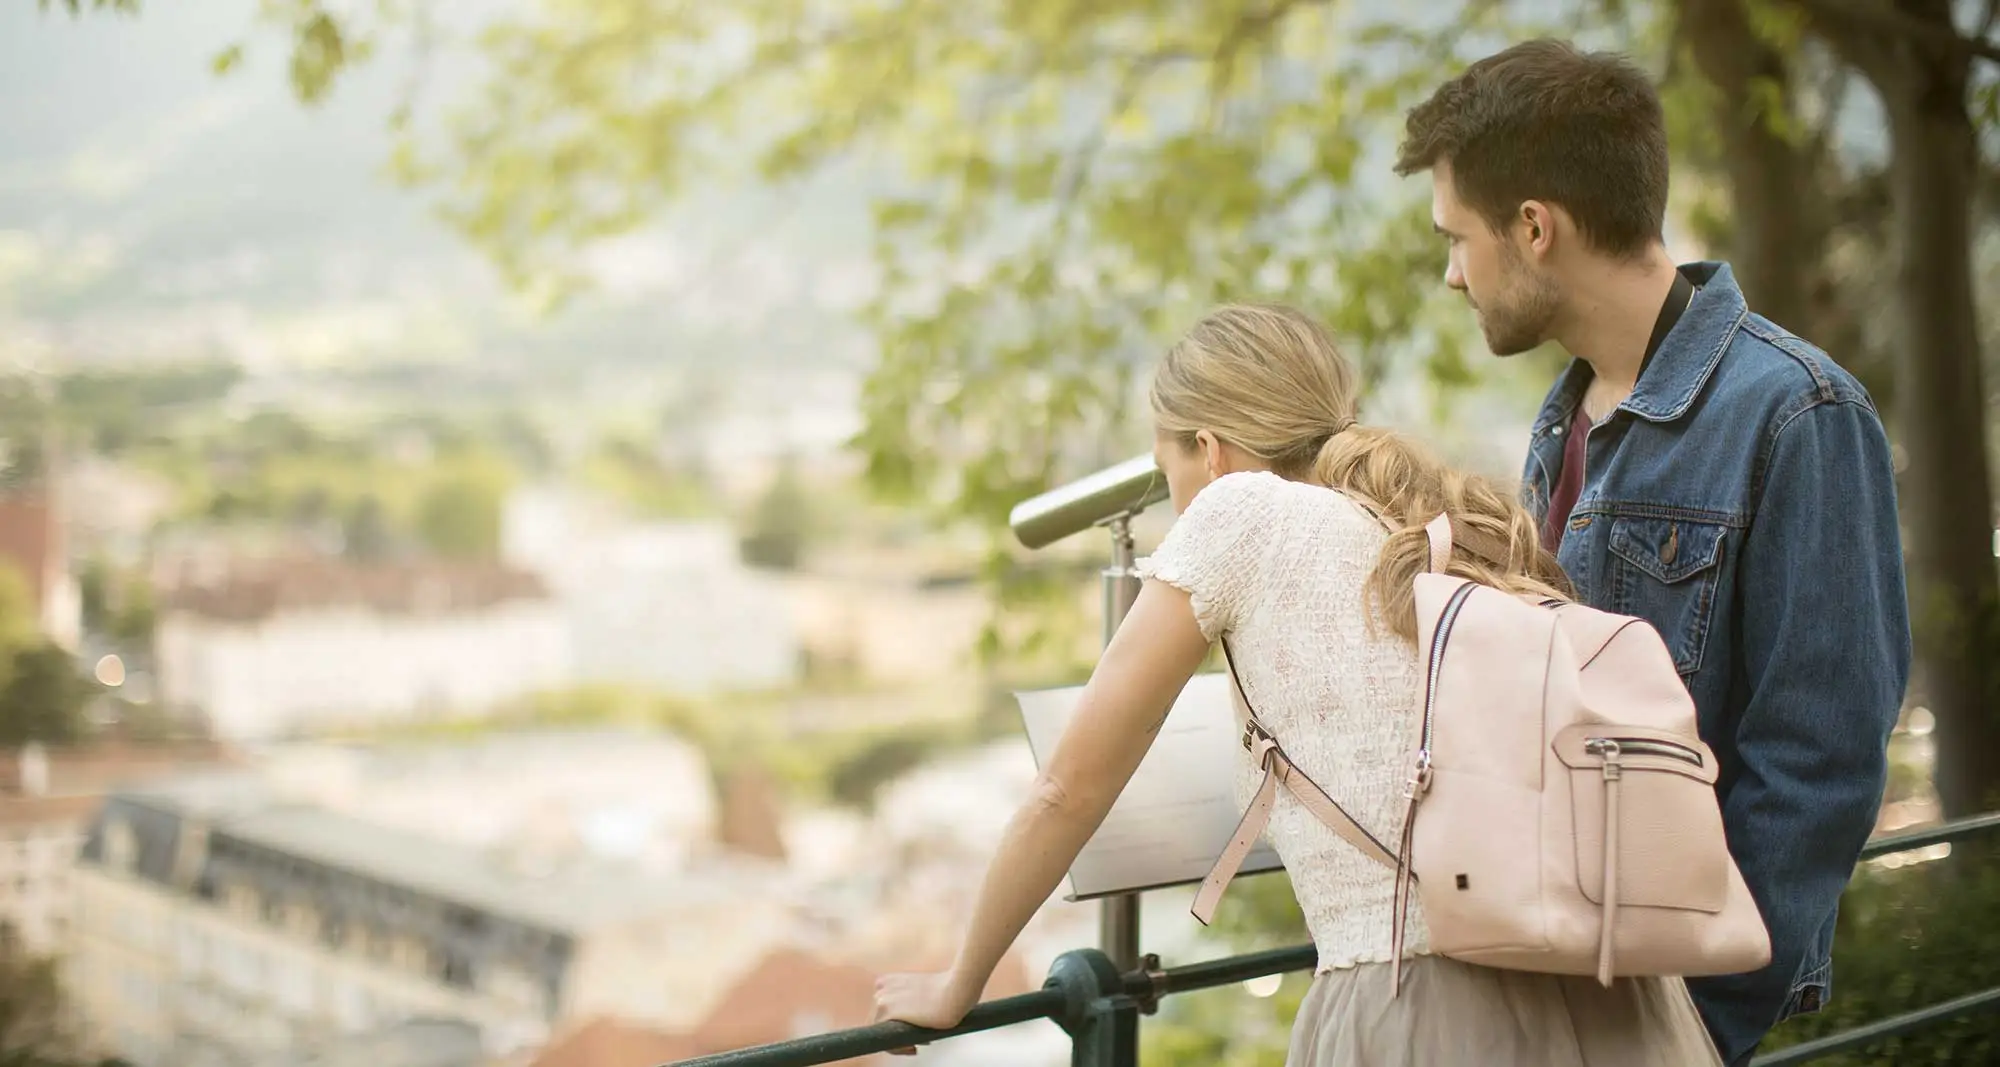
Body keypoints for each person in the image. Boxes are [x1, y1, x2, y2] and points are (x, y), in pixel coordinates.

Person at [871, 303, 1721, 1065]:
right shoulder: (1422, 518)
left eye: (1169, 473)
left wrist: (957, 982)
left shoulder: (1239, 511)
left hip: (1427, 1001)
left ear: (1208, 453)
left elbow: (1068, 785)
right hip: (1606, 987)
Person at [1394, 39, 1912, 1066]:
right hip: (1555, 987)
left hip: (1666, 1018)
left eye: (1457, 238)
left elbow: (1820, 763)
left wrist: (1696, 1024)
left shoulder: (1797, 411)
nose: (1452, 274)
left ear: (1533, 228)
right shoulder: (1561, 422)